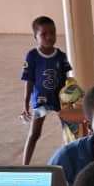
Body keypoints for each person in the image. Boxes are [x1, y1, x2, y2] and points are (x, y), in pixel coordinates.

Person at [21, 15, 73, 165]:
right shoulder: (32, 56)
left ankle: (70, 161)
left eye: (52, 32)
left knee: (69, 130)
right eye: (44, 34)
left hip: (59, 100)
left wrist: (70, 100)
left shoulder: (61, 56)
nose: (49, 37)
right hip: (41, 101)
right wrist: (26, 104)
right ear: (35, 37)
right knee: (34, 133)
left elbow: (66, 80)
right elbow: (29, 81)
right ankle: (25, 165)